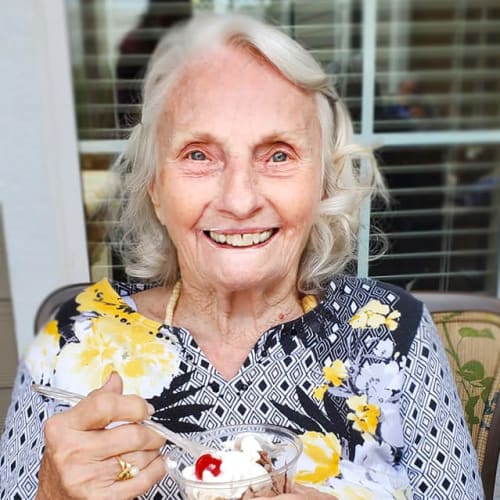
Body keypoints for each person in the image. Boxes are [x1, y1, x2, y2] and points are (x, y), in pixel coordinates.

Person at [0, 13, 483, 500]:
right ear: (155, 189)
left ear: (322, 183)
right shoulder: (69, 338)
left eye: (277, 154)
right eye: (198, 155)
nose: (238, 200)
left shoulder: (392, 334)